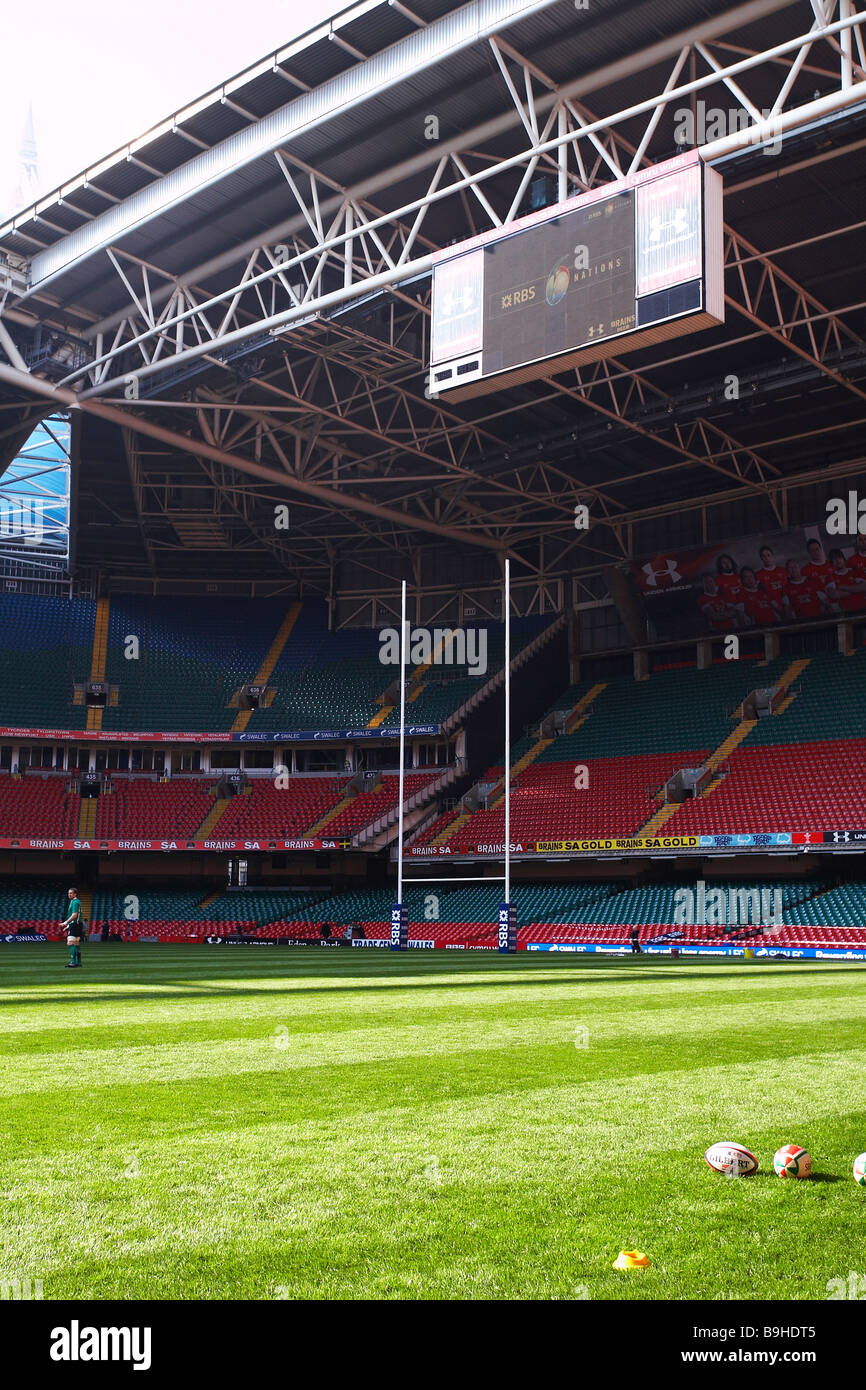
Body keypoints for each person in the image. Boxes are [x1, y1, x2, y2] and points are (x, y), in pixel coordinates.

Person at [60, 887, 84, 969]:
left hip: (75, 924)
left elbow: (74, 915)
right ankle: (78, 962)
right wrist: (68, 925)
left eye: (71, 893)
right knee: (76, 944)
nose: (69, 894)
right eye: (68, 893)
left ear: (75, 894)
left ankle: (73, 962)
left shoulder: (75, 902)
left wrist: (65, 922)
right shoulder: (75, 902)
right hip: (76, 924)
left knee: (70, 943)